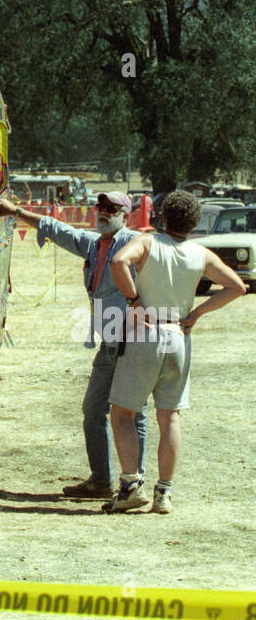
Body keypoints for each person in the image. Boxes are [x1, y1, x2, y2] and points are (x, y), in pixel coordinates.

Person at [0, 189, 147, 499]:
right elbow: (57, 229)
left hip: (134, 341)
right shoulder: (93, 244)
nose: (104, 211)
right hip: (110, 342)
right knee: (93, 409)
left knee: (134, 413)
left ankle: (135, 484)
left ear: (126, 216)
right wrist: (15, 213)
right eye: (101, 206)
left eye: (113, 208)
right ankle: (102, 480)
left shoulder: (135, 244)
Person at [105, 190, 247, 515]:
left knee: (123, 413)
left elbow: (118, 261)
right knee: (170, 416)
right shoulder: (201, 253)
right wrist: (197, 313)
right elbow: (237, 286)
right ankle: (164, 493)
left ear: (163, 216)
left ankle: (130, 486)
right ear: (195, 222)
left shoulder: (149, 242)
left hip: (147, 332)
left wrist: (134, 301)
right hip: (178, 336)